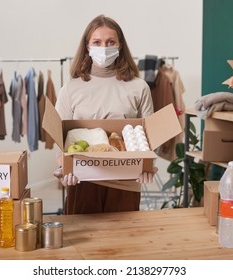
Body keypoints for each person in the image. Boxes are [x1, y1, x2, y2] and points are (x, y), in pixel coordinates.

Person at [54, 14, 157, 215]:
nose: (104, 47)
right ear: (87, 46)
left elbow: (150, 136)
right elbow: (59, 138)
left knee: (124, 242)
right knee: (81, 244)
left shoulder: (138, 87)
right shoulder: (71, 89)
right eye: (97, 42)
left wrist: (148, 165)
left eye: (110, 42)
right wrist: (63, 168)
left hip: (125, 182)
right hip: (83, 181)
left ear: (119, 46)